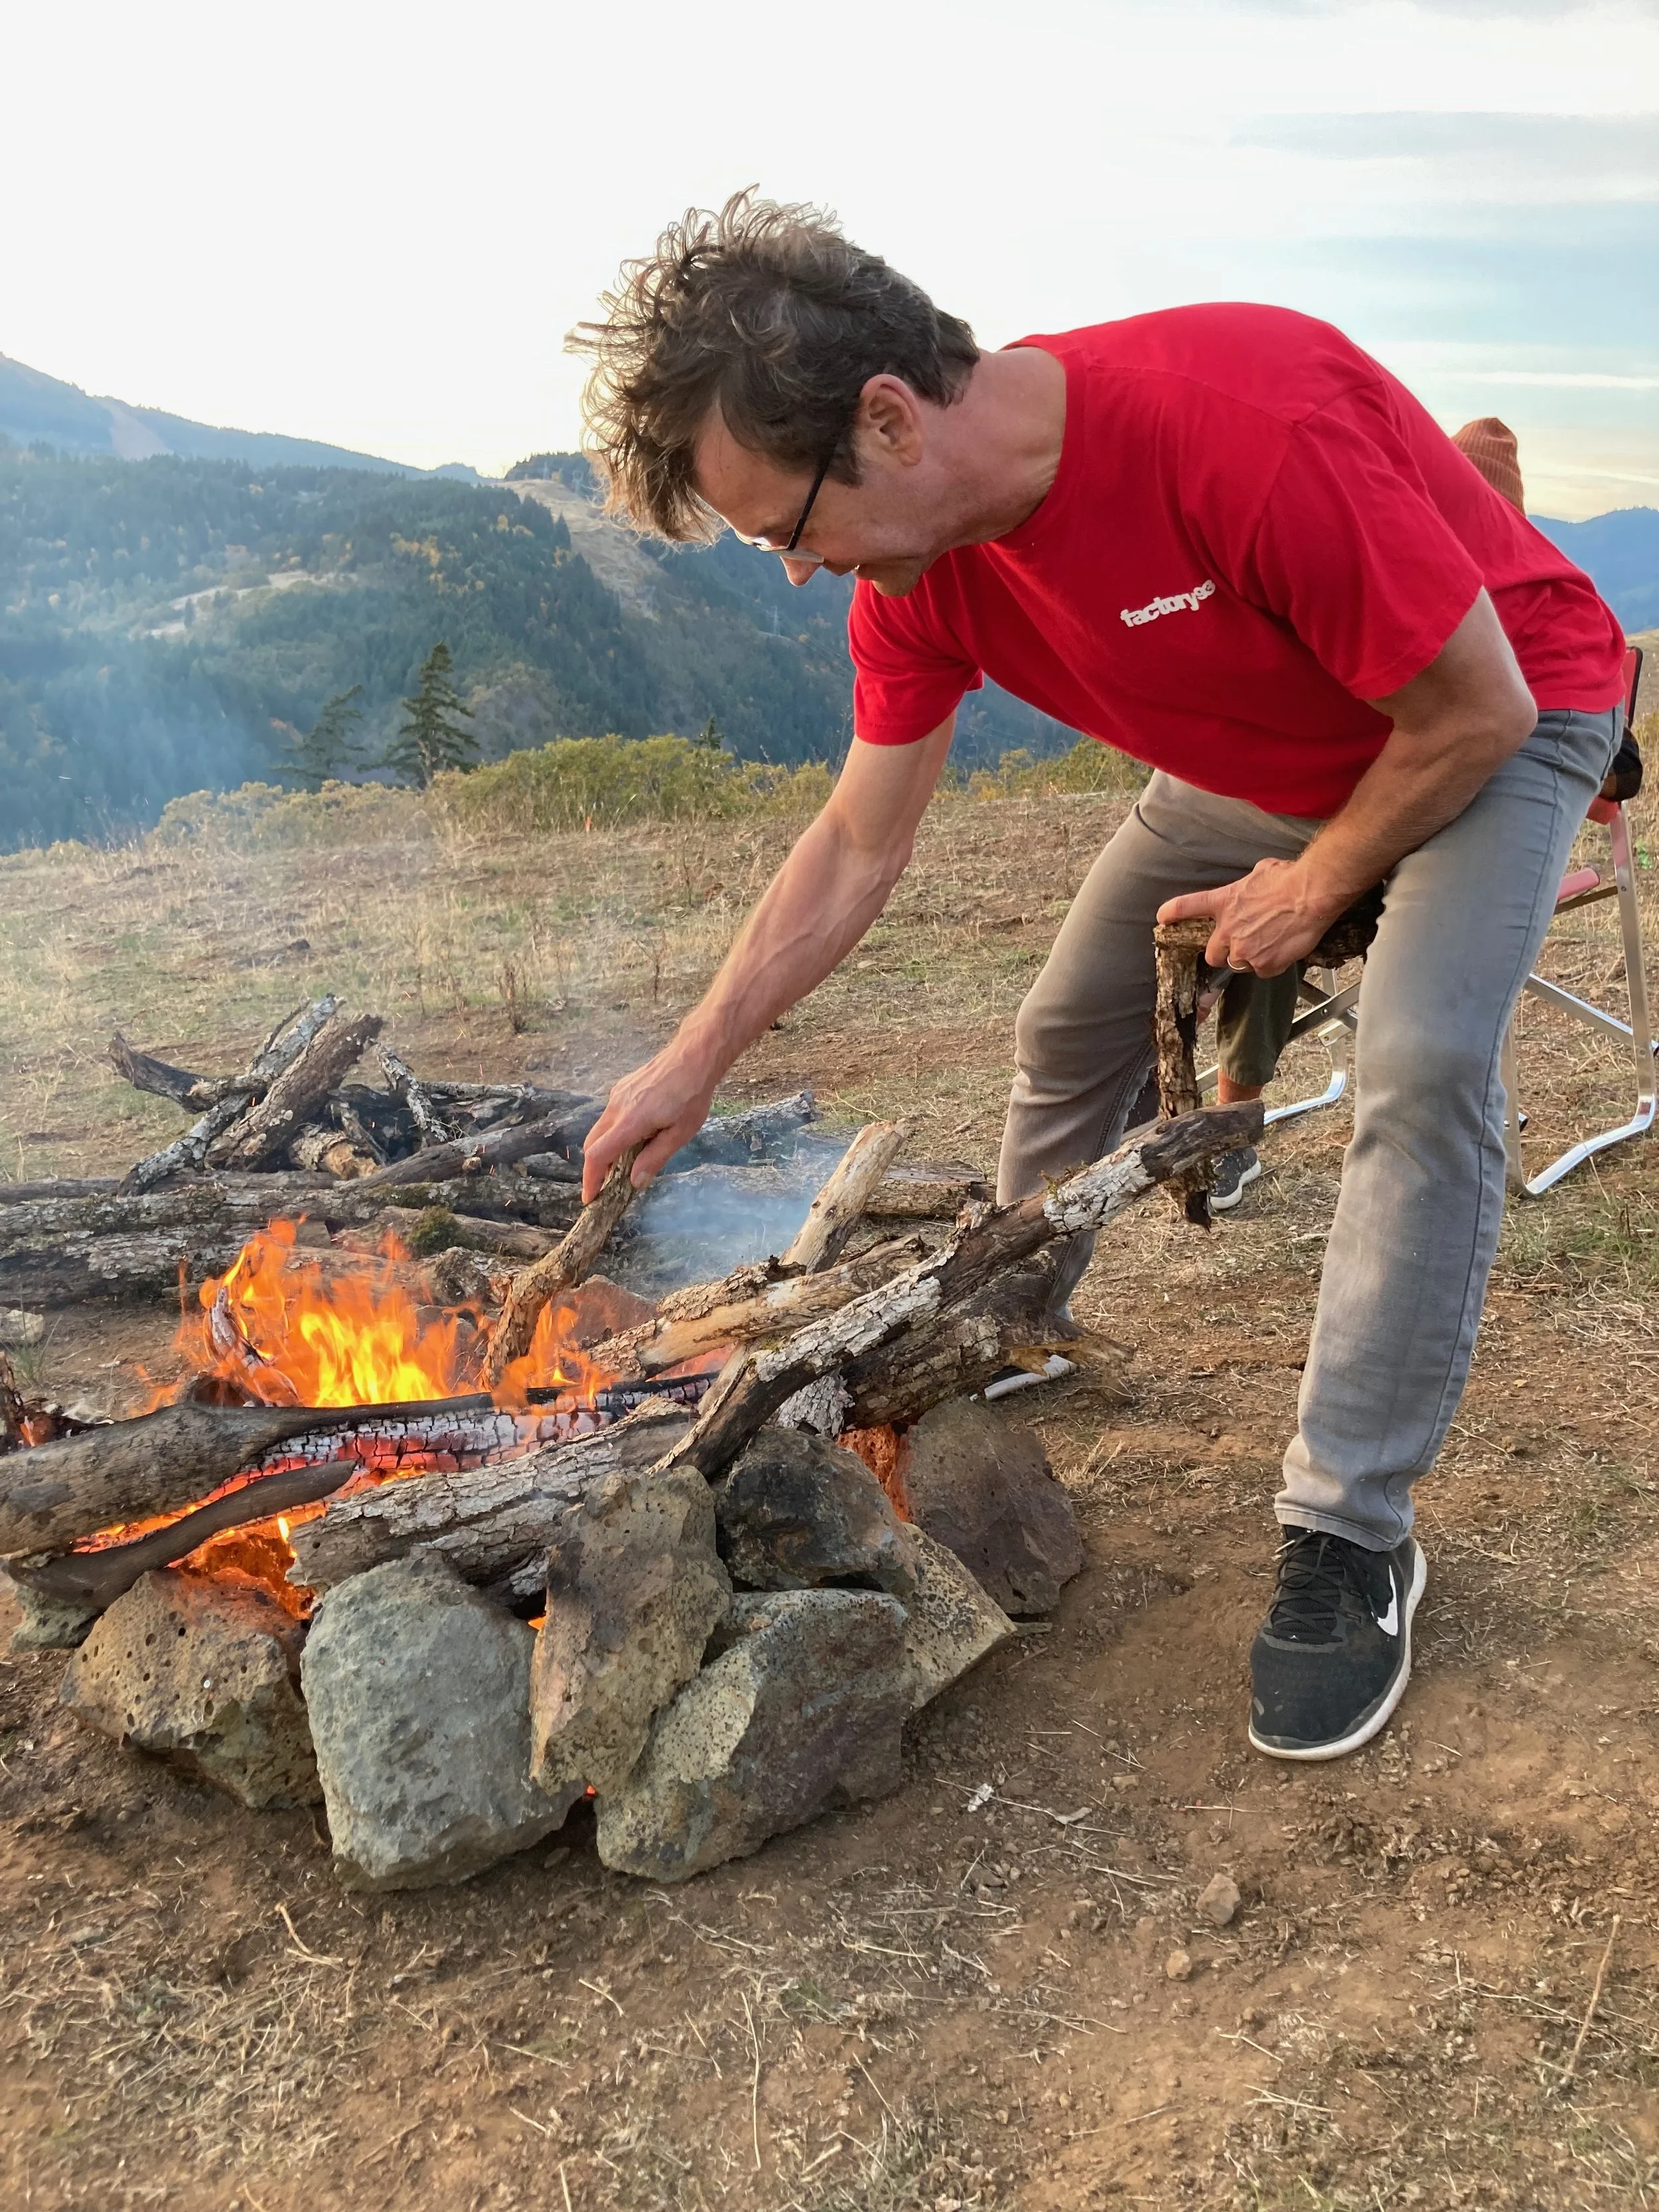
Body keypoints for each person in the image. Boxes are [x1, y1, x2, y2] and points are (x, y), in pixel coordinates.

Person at [571, 192, 1627, 1763]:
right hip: (1275, 749)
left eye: (785, 529)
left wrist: (1319, 880)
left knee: (1413, 1063)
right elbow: (860, 840)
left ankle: (1349, 1534)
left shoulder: (1234, 425)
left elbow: (1467, 709)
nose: (793, 576)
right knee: (1064, 1021)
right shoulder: (919, 568)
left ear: (888, 418)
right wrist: (696, 1053)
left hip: (1495, 711)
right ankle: (999, 1332)